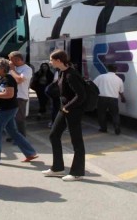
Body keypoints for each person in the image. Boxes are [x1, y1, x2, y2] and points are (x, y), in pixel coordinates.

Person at [0, 58, 38, 164]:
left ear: (2, 68)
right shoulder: (2, 78)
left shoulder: (8, 79)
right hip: (6, 109)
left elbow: (9, 94)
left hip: (5, 110)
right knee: (13, 132)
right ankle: (30, 153)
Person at [43, 50, 87, 181]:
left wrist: (67, 107)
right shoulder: (62, 72)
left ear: (58, 60)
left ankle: (77, 172)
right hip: (65, 109)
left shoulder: (71, 75)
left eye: (51, 60)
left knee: (76, 141)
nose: (50, 62)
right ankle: (57, 168)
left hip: (73, 110)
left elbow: (81, 95)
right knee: (54, 135)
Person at [93, 64, 126, 135]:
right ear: (116, 70)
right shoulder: (119, 79)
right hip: (113, 99)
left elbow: (93, 86)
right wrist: (123, 98)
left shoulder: (101, 77)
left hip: (102, 98)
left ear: (107, 69)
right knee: (115, 114)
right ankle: (117, 127)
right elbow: (121, 91)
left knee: (101, 114)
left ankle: (103, 128)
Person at [7, 51, 33, 137]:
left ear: (17, 59)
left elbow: (19, 80)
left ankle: (22, 137)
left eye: (11, 60)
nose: (9, 61)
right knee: (10, 118)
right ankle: (13, 136)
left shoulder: (27, 69)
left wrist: (12, 70)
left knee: (19, 119)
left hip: (20, 97)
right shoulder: (14, 68)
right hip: (11, 96)